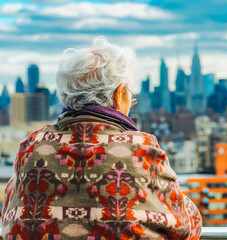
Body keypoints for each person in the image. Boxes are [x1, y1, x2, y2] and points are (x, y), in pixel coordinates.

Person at [2, 37, 202, 240]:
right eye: (130, 97)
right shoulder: (143, 150)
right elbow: (188, 225)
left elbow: (9, 215)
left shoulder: (31, 147)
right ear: (120, 95)